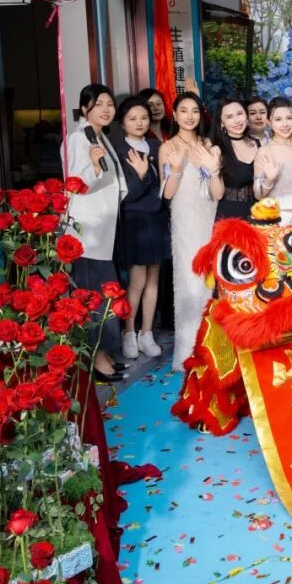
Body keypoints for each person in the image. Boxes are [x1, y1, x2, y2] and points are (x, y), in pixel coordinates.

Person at [65, 84, 128, 382]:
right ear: (84, 108)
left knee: (103, 292)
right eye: (98, 104)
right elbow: (76, 182)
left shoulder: (98, 136)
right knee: (94, 296)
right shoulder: (78, 138)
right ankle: (95, 359)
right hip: (86, 234)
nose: (106, 109)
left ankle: (104, 354)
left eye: (109, 104)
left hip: (103, 230)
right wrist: (93, 165)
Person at [159, 92, 223, 371]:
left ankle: (212, 347)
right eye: (183, 110)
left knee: (212, 280)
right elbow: (167, 194)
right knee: (188, 279)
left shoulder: (209, 145)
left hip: (210, 217)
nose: (189, 116)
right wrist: (175, 169)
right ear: (174, 115)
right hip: (184, 219)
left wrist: (212, 168)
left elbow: (217, 192)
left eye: (194, 110)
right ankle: (187, 351)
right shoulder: (168, 147)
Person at [112, 96, 167, 361]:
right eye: (132, 118)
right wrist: (144, 174)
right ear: (122, 123)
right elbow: (128, 195)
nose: (139, 123)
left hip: (157, 218)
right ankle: (129, 332)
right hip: (134, 221)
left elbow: (165, 186)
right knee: (137, 281)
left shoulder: (157, 146)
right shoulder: (117, 150)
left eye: (144, 117)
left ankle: (147, 333)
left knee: (154, 279)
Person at [254, 97, 292, 225]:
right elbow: (258, 195)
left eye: (289, 118)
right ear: (269, 122)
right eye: (278, 119)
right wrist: (269, 180)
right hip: (279, 217)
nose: (285, 124)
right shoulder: (265, 151)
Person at [212, 96, 259, 221]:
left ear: (246, 116)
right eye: (229, 117)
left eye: (239, 114)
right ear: (222, 123)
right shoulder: (217, 150)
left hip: (258, 212)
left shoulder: (259, 144)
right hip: (230, 215)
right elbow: (217, 194)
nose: (237, 120)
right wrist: (213, 170)